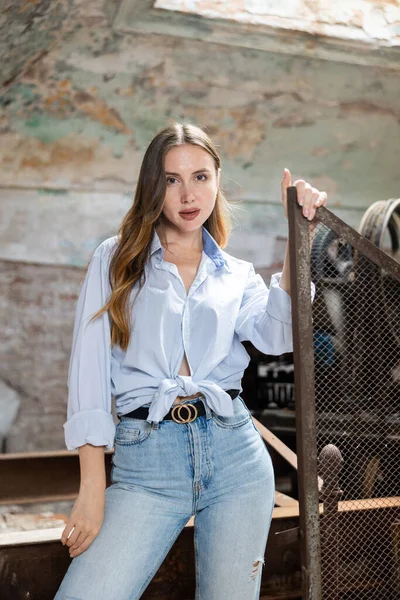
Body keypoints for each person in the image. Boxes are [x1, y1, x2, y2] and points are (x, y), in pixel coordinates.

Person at [54, 122, 327, 600]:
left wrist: (295, 234)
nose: (187, 194)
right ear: (151, 187)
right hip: (147, 463)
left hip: (236, 458)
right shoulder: (116, 260)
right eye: (171, 179)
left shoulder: (236, 275)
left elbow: (279, 334)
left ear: (217, 180)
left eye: (200, 177)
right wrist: (92, 486)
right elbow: (89, 374)